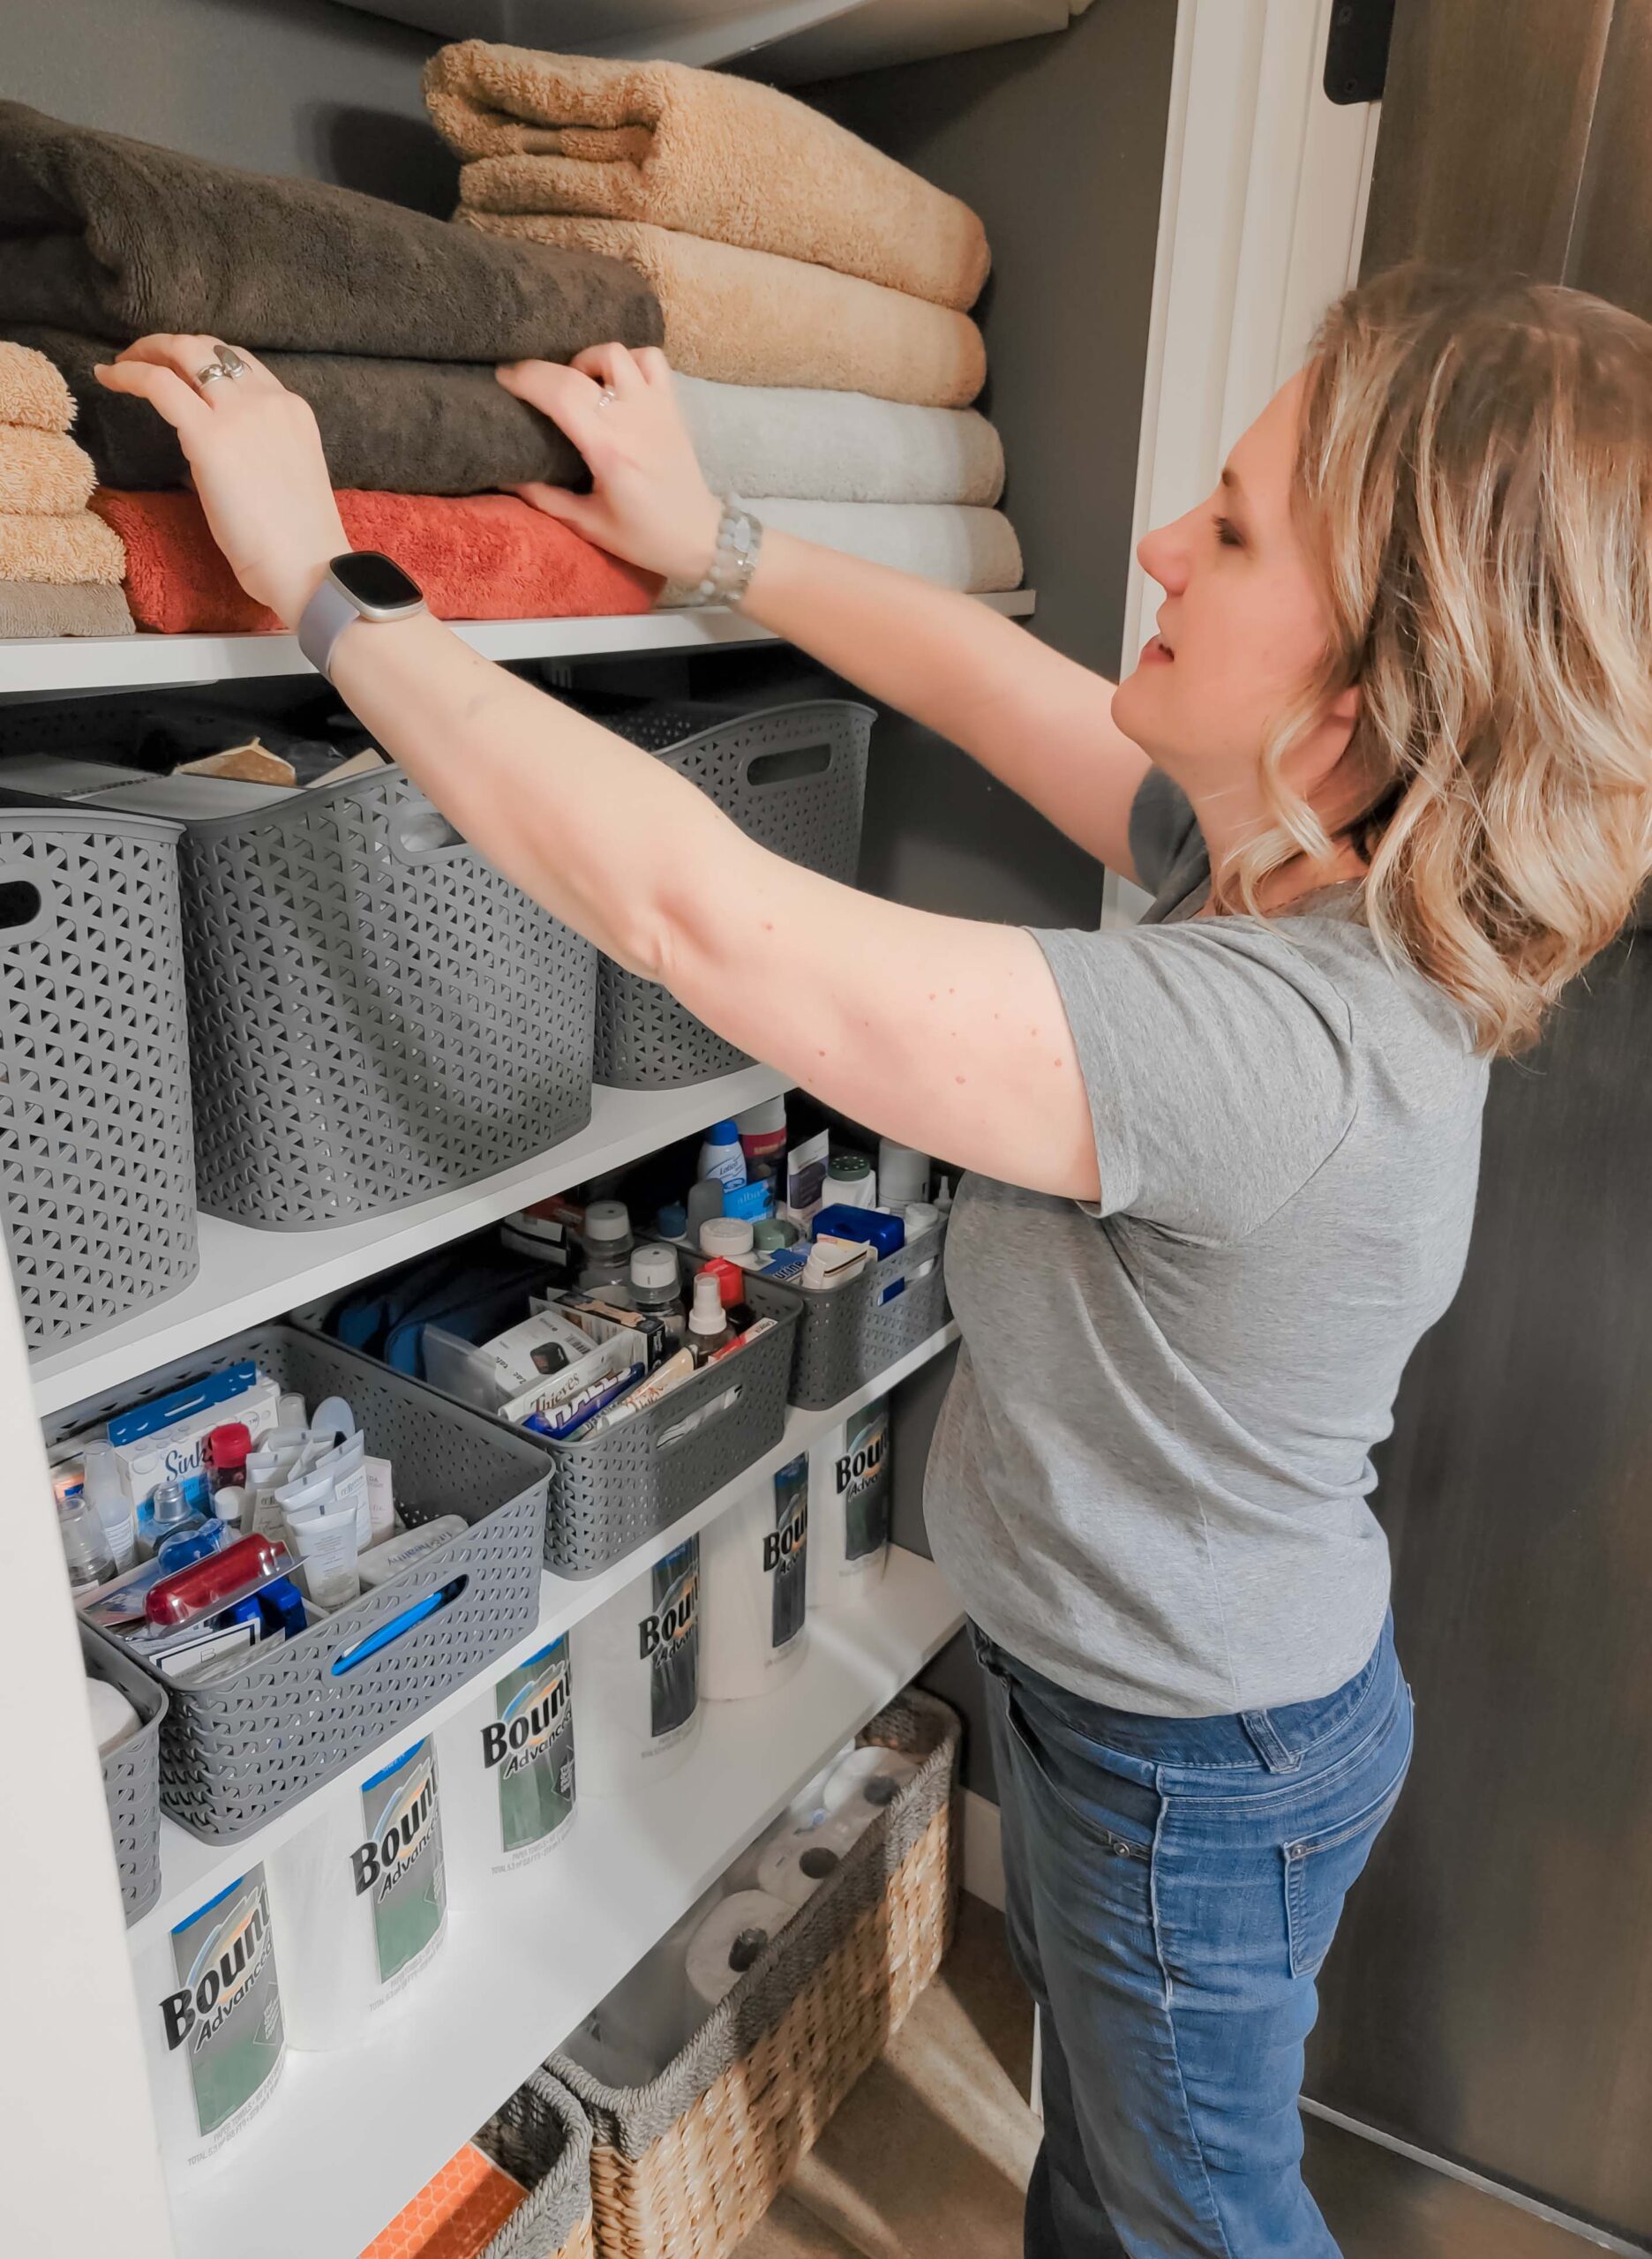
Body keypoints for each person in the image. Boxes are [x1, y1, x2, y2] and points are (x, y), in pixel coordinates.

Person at [97, 263, 1652, 2256]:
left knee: (1199, 2215)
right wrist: (717, 540)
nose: (1164, 541)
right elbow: (999, 687)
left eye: (1238, 529)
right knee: (1115, 2155)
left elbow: (706, 919)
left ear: (1363, 706)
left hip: (1187, 1762)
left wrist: (324, 581)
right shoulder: (1292, 871)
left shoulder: (1278, 1044)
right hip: (1188, 1719)